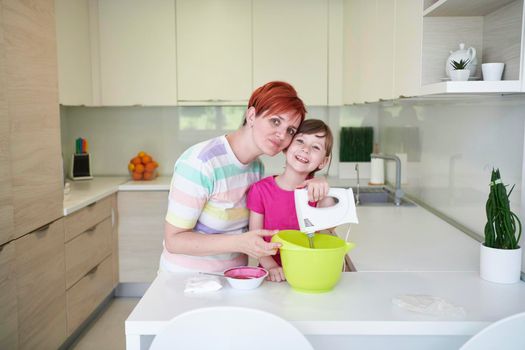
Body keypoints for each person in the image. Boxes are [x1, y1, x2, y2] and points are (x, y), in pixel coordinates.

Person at [161, 81, 329, 273]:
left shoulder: (255, 167)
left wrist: (318, 182)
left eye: (291, 130)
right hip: (186, 282)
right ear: (251, 115)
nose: (282, 134)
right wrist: (239, 243)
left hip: (232, 280)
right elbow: (174, 240)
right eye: (275, 121)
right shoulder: (202, 162)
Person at [246, 119, 334, 282]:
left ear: (323, 162)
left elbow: (331, 225)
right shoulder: (260, 190)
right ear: (286, 147)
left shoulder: (316, 194)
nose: (305, 149)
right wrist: (271, 267)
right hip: (271, 276)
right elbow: (255, 237)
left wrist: (323, 184)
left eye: (315, 147)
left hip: (308, 274)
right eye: (300, 140)